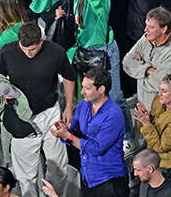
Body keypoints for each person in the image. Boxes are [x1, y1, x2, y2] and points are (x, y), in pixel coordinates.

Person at [0, 22, 77, 196]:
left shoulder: (55, 52)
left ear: (41, 41)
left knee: (58, 167)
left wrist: (69, 106)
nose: (28, 54)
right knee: (26, 177)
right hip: (22, 119)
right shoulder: (7, 52)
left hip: (50, 113)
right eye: (24, 50)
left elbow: (69, 77)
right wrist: (2, 92)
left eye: (32, 49)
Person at [47, 68, 128, 197]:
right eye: (83, 87)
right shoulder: (83, 105)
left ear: (101, 90)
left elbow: (96, 148)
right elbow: (73, 131)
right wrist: (65, 129)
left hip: (109, 181)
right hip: (88, 178)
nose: (82, 92)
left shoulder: (113, 114)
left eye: (87, 89)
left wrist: (68, 136)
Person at [135, 72, 171, 189]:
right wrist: (144, 118)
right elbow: (148, 128)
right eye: (159, 89)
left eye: (164, 91)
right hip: (159, 162)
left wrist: (146, 123)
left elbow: (160, 147)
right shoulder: (159, 101)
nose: (159, 94)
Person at [123, 7, 171, 109]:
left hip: (166, 111)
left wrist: (138, 71)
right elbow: (126, 63)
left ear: (164, 29)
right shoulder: (147, 38)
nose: (146, 30)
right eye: (146, 25)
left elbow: (159, 84)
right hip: (145, 106)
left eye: (151, 27)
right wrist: (147, 70)